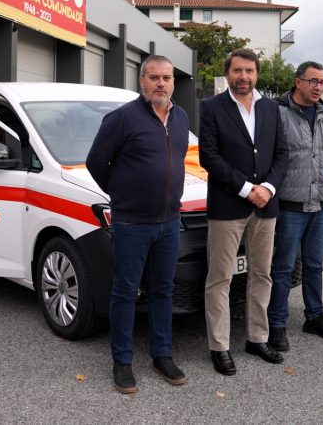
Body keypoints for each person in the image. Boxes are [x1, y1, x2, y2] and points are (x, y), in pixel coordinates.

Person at [86, 55, 189, 394]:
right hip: (132, 222)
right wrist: (121, 192)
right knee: (125, 292)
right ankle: (123, 362)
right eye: (155, 77)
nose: (161, 84)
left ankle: (162, 355)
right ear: (141, 81)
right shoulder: (121, 119)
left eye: (167, 78)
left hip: (170, 222)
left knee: (163, 291)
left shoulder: (180, 117)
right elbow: (96, 162)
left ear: (173, 82)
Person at [199, 48, 289, 376]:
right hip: (228, 205)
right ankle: (219, 346)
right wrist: (246, 189)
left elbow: (282, 154)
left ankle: (257, 338)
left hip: (267, 205)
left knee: (262, 274)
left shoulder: (271, 108)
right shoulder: (211, 107)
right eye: (238, 71)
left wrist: (268, 188)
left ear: (256, 74)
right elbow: (209, 157)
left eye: (249, 71)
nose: (244, 77)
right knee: (220, 278)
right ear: (228, 74)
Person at [267, 62, 323, 352]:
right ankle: (277, 324)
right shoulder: (278, 113)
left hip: (319, 205)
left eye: (322, 82)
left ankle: (315, 316)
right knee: (283, 268)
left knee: (314, 266)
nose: (319, 87)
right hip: (289, 206)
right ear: (297, 82)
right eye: (313, 81)